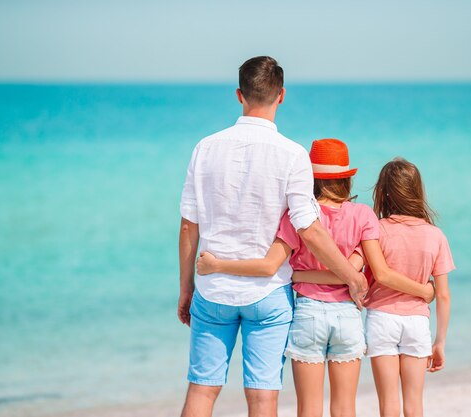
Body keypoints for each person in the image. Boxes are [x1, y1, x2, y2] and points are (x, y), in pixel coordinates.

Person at [178, 57, 369, 417]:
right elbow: (309, 230)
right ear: (281, 95)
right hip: (268, 295)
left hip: (212, 288)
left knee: (202, 391)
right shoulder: (292, 154)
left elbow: (189, 225)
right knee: (264, 398)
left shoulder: (205, 147)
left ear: (239, 95)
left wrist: (186, 287)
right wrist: (352, 277)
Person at [197, 139, 435, 417]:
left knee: (308, 410)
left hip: (308, 313)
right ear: (347, 178)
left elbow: (269, 266)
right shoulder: (363, 215)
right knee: (345, 408)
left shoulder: (296, 217)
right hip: (347, 316)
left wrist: (217, 264)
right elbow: (353, 272)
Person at [363, 158, 455, 417]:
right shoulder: (435, 235)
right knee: (414, 406)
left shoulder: (377, 230)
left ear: (383, 192)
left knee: (388, 405)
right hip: (417, 322)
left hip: (381, 319)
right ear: (417, 191)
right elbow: (443, 295)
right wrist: (440, 342)